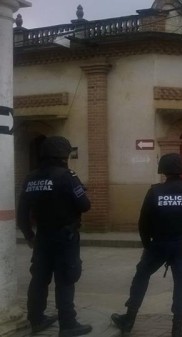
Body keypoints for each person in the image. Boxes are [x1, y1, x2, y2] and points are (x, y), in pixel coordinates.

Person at [111, 153, 182, 337]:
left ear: (162, 170)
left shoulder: (154, 191)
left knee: (141, 276)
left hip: (158, 244)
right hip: (181, 244)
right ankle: (177, 329)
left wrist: (147, 243)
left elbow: (143, 221)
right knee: (181, 284)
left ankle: (129, 319)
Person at [17, 136, 92, 337]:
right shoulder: (67, 176)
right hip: (64, 237)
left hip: (41, 237)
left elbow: (22, 211)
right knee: (66, 278)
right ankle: (68, 324)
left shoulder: (31, 178)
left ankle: (36, 319)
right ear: (63, 155)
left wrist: (28, 235)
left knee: (39, 278)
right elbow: (84, 205)